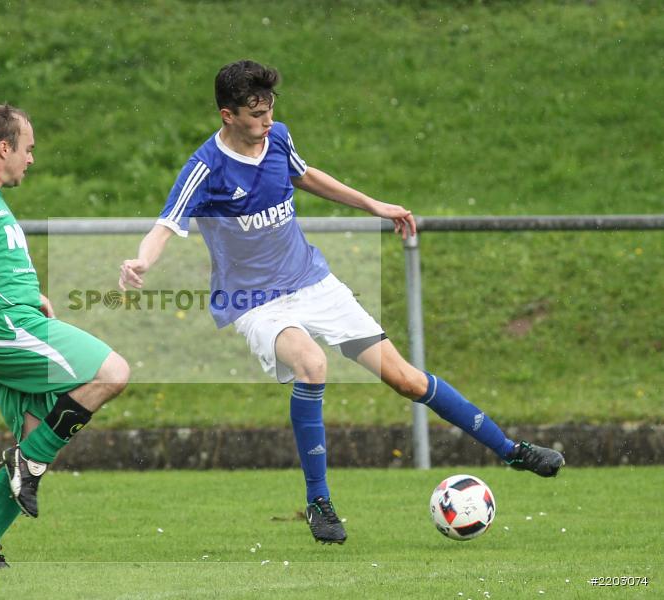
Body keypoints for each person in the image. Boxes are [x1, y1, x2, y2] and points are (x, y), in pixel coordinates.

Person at [120, 60, 564, 545]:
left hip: (313, 283)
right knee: (312, 365)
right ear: (228, 115)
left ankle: (511, 450)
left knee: (409, 380)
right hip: (256, 303)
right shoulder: (205, 168)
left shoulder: (279, 139)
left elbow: (307, 177)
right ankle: (319, 501)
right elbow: (167, 223)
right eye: (254, 114)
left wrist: (375, 204)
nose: (266, 121)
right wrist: (141, 261)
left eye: (270, 110)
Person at [0, 104, 130, 568]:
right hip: (4, 328)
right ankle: (29, 464)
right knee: (112, 373)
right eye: (28, 148)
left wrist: (32, 294)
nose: (32, 159)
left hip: (12, 319)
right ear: (4, 147)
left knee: (36, 433)